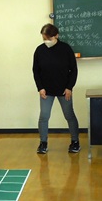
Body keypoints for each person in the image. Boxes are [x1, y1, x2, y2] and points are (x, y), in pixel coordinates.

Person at [32, 23, 80, 154]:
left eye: (49, 38)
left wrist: (69, 87)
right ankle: (43, 143)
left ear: (56, 36)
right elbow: (36, 71)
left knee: (69, 115)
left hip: (64, 90)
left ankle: (75, 141)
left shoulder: (66, 49)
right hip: (46, 90)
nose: (46, 41)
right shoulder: (39, 50)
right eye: (44, 39)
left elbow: (74, 70)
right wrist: (40, 88)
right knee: (44, 116)